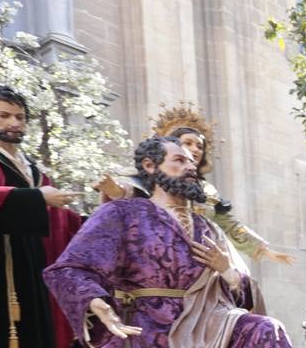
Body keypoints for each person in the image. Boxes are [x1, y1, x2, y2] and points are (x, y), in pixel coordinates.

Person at [43, 137, 298, 348]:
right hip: (145, 332)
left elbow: (240, 296)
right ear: (150, 167)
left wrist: (226, 270)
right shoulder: (122, 213)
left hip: (206, 328)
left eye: (192, 160)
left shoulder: (208, 227)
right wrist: (94, 300)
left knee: (266, 329)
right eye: (179, 160)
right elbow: (69, 268)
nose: (190, 166)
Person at [97, 103, 295, 268]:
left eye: (199, 146)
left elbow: (230, 225)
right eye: (188, 143)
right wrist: (115, 190)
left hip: (204, 258)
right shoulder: (153, 177)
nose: (195, 150)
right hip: (159, 255)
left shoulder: (206, 191)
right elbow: (132, 189)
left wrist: (264, 249)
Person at [0, 84, 82, 348]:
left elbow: (59, 220)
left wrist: (105, 211)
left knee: (36, 340)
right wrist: (36, 197)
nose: (14, 123)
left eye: (20, 117)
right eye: (4, 115)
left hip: (33, 264)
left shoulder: (30, 166)